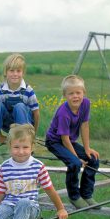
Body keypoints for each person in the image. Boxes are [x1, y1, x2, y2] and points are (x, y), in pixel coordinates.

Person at [45, 75, 100, 209]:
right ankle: (74, 196)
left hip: (69, 140)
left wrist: (87, 149)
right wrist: (76, 158)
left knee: (93, 159)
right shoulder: (63, 113)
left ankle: (86, 194)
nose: (75, 96)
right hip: (55, 141)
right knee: (74, 163)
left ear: (84, 93)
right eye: (71, 93)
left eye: (78, 92)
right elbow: (64, 139)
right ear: (65, 95)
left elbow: (84, 125)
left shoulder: (86, 103)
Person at [0, 53, 40, 160]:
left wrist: (33, 135)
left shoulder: (28, 90)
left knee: (20, 106)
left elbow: (36, 113)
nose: (15, 74)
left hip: (24, 123)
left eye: (18, 71)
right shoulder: (0, 90)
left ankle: (24, 143)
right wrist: (0, 136)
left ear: (23, 73)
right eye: (11, 71)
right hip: (7, 124)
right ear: (6, 72)